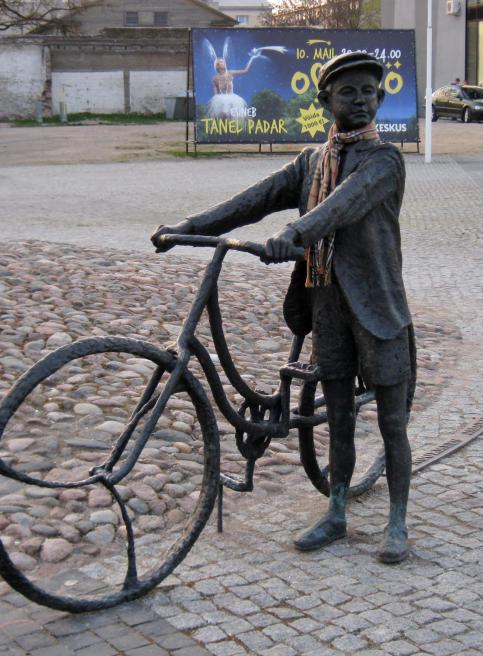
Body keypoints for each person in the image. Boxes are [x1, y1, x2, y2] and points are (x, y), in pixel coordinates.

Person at [151, 51, 415, 564]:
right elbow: (254, 198)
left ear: (380, 100)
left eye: (367, 92)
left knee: (391, 422)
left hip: (378, 305)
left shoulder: (385, 161)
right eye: (347, 92)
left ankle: (398, 521)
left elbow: (341, 206)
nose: (359, 100)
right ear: (326, 102)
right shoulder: (311, 162)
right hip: (327, 300)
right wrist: (190, 226)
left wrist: (293, 232)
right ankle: (336, 511)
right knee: (336, 413)